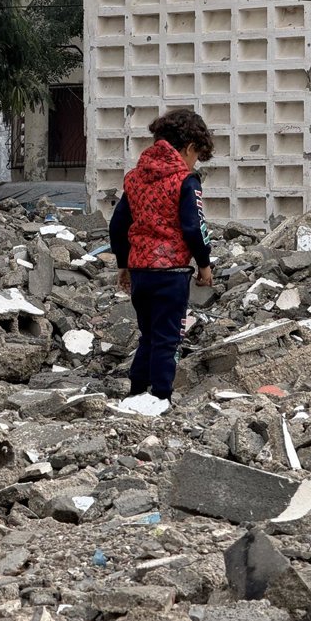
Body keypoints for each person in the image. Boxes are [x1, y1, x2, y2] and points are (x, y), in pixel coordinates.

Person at [108, 109, 215, 403]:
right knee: (168, 338)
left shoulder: (134, 178)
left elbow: (118, 225)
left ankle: (137, 392)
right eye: (196, 155)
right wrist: (204, 264)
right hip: (172, 273)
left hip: (140, 271)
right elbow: (194, 227)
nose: (194, 162)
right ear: (189, 148)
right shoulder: (186, 180)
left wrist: (123, 264)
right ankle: (161, 398)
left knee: (149, 335)